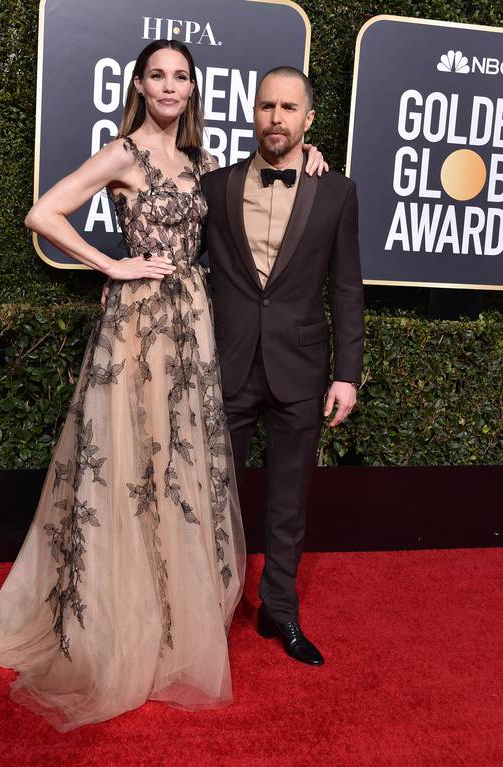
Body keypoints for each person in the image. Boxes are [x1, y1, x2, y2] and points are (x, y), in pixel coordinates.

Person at [0, 40, 325, 730]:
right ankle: (117, 621)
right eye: (159, 75)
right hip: (138, 326)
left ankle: (169, 617)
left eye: (181, 77)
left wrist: (312, 157)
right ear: (141, 84)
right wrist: (111, 266)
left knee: (176, 471)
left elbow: (266, 183)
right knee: (128, 469)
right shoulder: (123, 153)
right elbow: (44, 213)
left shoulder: (207, 163)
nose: (171, 87)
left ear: (193, 89)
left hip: (194, 326)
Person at [201, 66, 364, 667]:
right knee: (216, 497)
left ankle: (280, 611)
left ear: (308, 119)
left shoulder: (338, 192)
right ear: (253, 112)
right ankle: (210, 613)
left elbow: (347, 287)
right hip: (227, 362)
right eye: (267, 105)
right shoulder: (214, 186)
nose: (276, 117)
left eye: (289, 108)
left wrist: (346, 373)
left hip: (302, 369)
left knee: (289, 501)